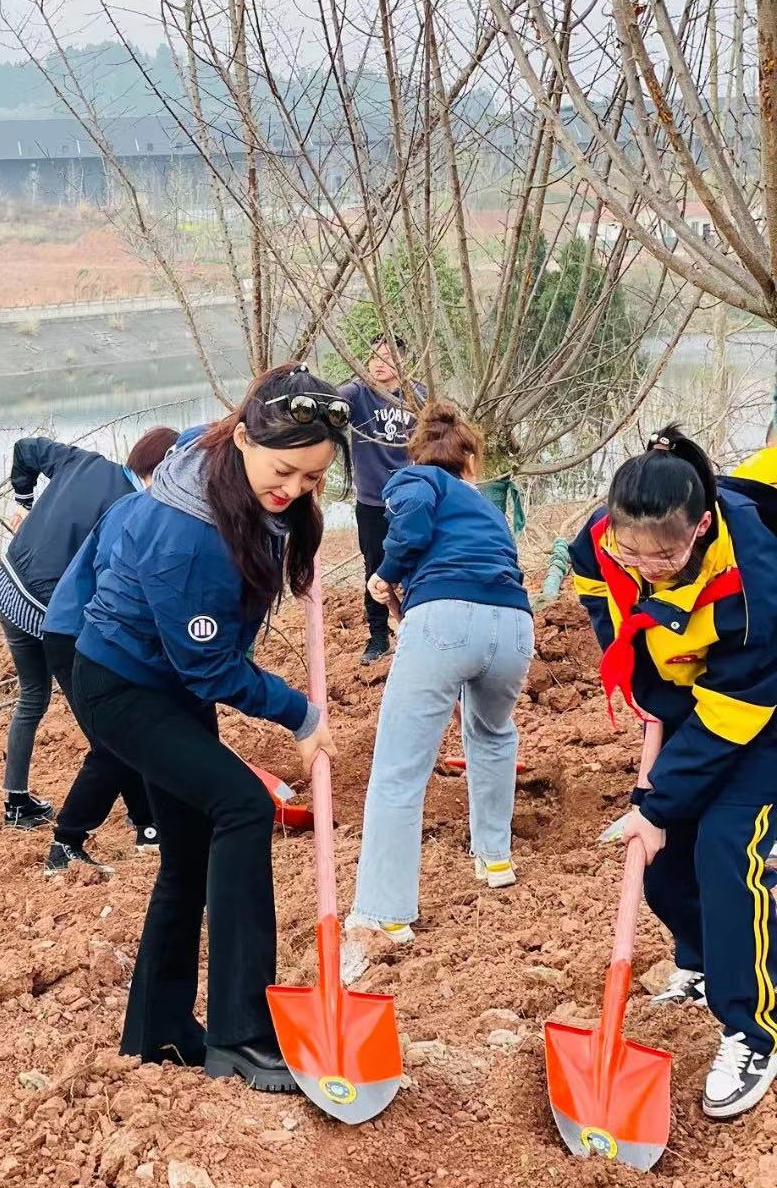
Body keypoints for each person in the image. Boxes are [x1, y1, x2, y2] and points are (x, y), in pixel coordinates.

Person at [69, 364, 343, 1092]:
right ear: (245, 437)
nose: (291, 489)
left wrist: (294, 534)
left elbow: (264, 499)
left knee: (189, 853)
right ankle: (244, 1035)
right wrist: (300, 714)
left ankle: (158, 1030)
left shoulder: (219, 455)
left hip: (158, 680)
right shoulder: (188, 536)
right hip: (125, 689)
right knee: (242, 806)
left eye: (313, 480)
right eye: (283, 471)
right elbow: (211, 671)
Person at [569, 426, 777, 1120]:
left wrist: (657, 806)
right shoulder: (602, 539)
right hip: (695, 701)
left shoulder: (752, 574)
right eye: (633, 551)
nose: (646, 564)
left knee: (726, 846)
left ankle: (753, 1029)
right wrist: (644, 682)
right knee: (659, 863)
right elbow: (598, 591)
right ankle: (702, 956)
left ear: (702, 527)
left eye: (665, 554)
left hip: (760, 709)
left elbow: (736, 710)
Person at [346, 402, 533, 951]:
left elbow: (411, 526)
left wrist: (384, 576)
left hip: (446, 619)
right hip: (514, 626)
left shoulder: (415, 479)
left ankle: (386, 911)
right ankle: (495, 859)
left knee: (400, 769)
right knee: (493, 734)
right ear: (470, 463)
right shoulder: (486, 508)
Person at [0, 426, 177, 837]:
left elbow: (26, 448)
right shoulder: (132, 509)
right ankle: (144, 820)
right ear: (160, 471)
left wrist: (23, 501)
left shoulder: (84, 461)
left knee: (32, 698)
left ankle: (16, 802)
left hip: (6, 588)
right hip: (47, 613)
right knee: (105, 720)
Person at [338, 335, 427, 666]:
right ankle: (378, 637)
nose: (378, 362)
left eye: (388, 356)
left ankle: (416, 628)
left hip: (409, 500)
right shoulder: (358, 394)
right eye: (373, 355)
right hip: (372, 502)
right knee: (374, 567)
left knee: (416, 561)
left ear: (403, 362)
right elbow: (333, 399)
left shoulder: (417, 397)